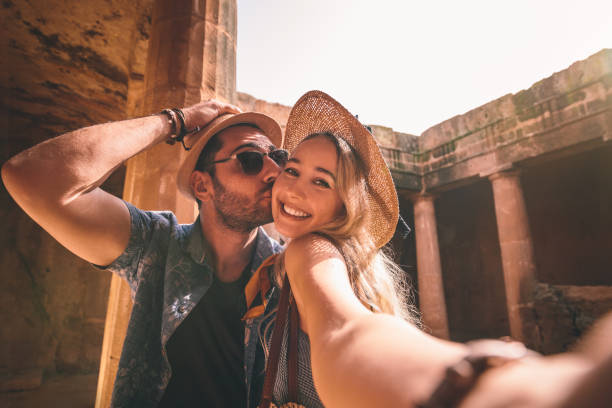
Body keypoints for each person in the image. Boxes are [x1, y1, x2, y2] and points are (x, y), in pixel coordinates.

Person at [249, 90, 612, 408]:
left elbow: (347, 332)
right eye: (292, 170)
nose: (295, 189)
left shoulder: (310, 250)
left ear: (345, 204)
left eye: (321, 182)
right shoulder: (335, 260)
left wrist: (491, 392)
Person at [1, 100, 289, 407]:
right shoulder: (156, 244)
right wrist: (176, 121)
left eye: (279, 157)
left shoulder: (290, 272)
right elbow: (30, 176)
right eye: (250, 160)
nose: (275, 171)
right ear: (202, 186)